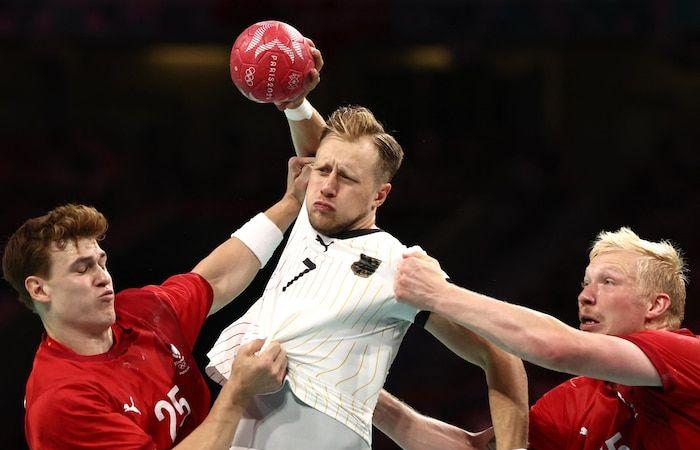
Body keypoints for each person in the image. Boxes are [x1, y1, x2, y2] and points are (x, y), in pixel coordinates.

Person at [206, 99, 529, 450]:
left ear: (380, 195)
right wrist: (296, 103)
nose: (328, 186)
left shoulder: (400, 266)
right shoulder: (307, 221)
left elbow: (499, 353)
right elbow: (320, 146)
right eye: (322, 170)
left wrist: (514, 446)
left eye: (346, 178)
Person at [2, 156, 314, 449]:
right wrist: (237, 392)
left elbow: (215, 280)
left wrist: (290, 203)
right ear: (39, 290)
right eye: (82, 268)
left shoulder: (140, 311)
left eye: (101, 262)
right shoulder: (63, 401)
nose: (103, 277)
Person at [380, 227, 699, 449]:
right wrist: (363, 395)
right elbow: (472, 448)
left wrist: (438, 293)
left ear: (656, 305)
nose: (585, 296)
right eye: (586, 283)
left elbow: (554, 347)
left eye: (608, 282)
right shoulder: (580, 398)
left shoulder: (687, 355)